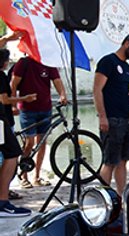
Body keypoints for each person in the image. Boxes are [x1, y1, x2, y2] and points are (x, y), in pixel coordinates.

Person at [94, 32, 129, 195]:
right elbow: (97, 90)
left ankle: (121, 197)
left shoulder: (127, 67)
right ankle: (103, 197)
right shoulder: (107, 62)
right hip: (111, 118)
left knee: (123, 161)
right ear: (127, 43)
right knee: (109, 161)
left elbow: (120, 89)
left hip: (126, 118)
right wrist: (102, 116)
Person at [11, 56, 68, 189]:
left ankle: (36, 176)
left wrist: (62, 94)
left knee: (42, 143)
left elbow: (57, 80)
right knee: (29, 142)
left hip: (45, 108)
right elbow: (13, 84)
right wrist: (14, 105)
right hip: (27, 109)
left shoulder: (49, 62)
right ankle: (23, 176)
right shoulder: (23, 63)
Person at [0, 49, 34, 216]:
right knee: (13, 153)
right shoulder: (0, 76)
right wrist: (23, 99)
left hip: (2, 121)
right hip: (0, 121)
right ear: (5, 62)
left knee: (7, 153)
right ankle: (3, 201)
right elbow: (4, 99)